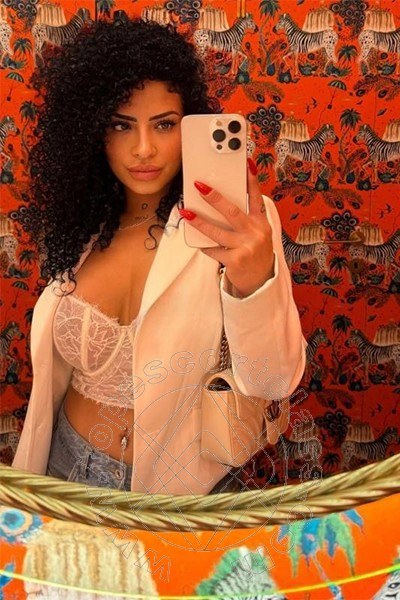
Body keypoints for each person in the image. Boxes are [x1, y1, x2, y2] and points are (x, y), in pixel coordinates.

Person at [12, 15, 308, 496]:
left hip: (180, 490)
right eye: (121, 125)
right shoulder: (82, 225)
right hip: (65, 471)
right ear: (92, 131)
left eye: (164, 125)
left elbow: (272, 382)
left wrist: (255, 283)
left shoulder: (241, 227)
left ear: (189, 126)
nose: (144, 149)